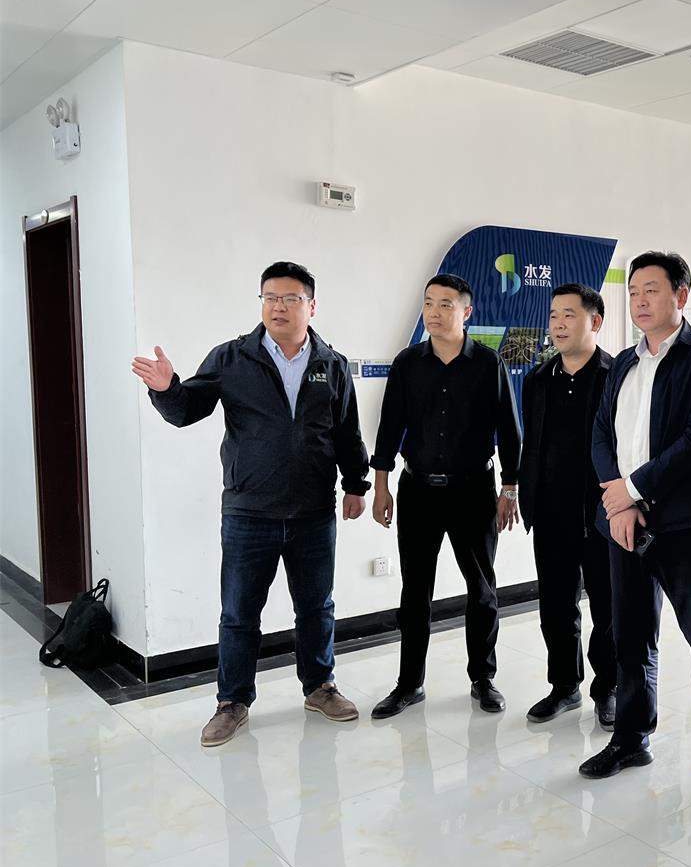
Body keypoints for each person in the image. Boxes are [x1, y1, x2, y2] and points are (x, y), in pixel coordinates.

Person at [131, 261, 369, 747]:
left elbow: (347, 431)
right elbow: (186, 410)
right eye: (270, 297)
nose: (278, 307)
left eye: (290, 298)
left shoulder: (332, 364)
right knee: (239, 613)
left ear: (311, 306)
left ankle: (320, 687)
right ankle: (232, 702)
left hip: (313, 511)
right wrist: (167, 389)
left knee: (316, 607)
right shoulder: (232, 358)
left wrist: (356, 484)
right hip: (248, 511)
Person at [577, 250, 691, 821]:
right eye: (633, 292)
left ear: (681, 296)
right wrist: (617, 499)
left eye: (651, 290)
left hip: (685, 525)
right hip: (621, 523)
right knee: (630, 639)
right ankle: (631, 737)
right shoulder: (624, 362)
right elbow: (601, 434)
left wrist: (632, 492)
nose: (640, 301)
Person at [367, 273, 521, 718]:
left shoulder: (488, 363)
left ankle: (483, 679)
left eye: (445, 304)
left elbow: (509, 431)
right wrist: (381, 486)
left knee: (482, 589)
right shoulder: (408, 363)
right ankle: (409, 683)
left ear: (466, 312)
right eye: (429, 303)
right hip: (417, 491)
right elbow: (389, 427)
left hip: (474, 491)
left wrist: (509, 488)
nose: (434, 312)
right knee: (415, 591)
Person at [518, 283, 616, 728]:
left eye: (569, 315)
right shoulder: (538, 379)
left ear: (595, 321)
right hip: (551, 512)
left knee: (608, 608)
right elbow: (532, 445)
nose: (558, 324)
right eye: (554, 315)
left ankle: (608, 688)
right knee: (555, 605)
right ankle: (564, 685)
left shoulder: (615, 376)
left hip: (602, 513)